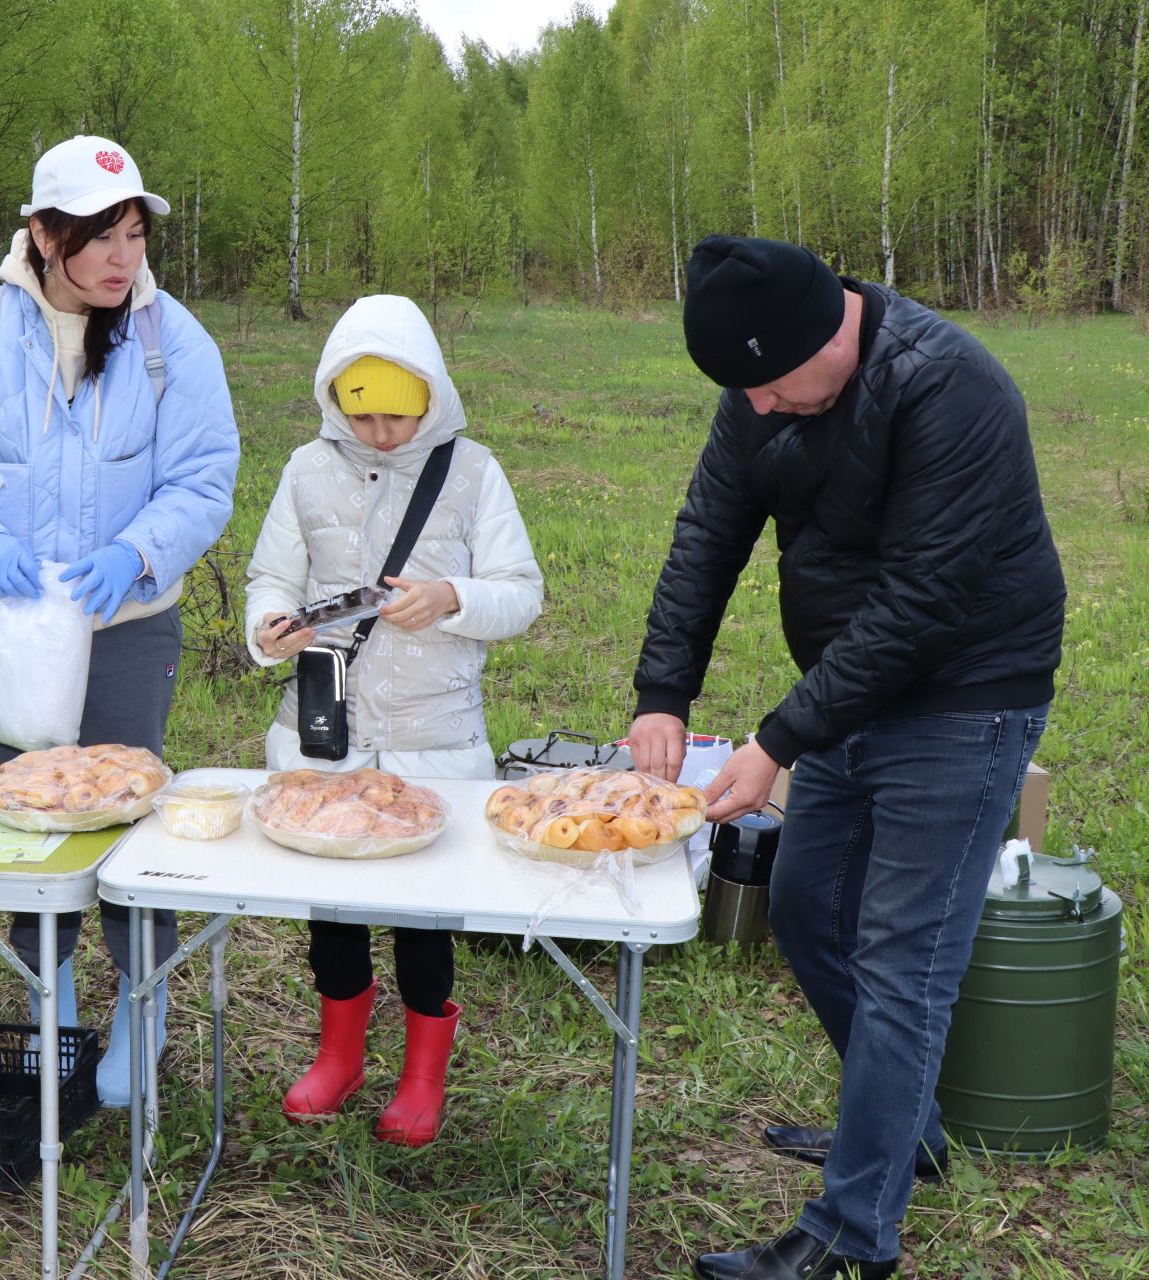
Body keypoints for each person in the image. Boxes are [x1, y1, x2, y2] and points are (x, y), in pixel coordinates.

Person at [627, 235, 1063, 1279]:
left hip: (967, 694)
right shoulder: (762, 388)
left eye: (773, 384)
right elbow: (708, 533)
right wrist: (662, 691)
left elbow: (919, 610)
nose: (760, 407)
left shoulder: (950, 388)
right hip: (846, 691)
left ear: (830, 331)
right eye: (746, 391)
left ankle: (851, 1233)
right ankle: (898, 1125)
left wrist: (777, 740)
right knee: (806, 908)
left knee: (903, 963)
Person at [0, 135, 239, 1107]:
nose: (123, 257)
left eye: (133, 233)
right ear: (42, 234)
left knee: (124, 812)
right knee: (31, 813)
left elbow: (203, 478)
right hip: (7, 630)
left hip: (126, 624)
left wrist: (139, 552)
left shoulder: (172, 341)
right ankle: (53, 995)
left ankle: (143, 1001)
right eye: (98, 236)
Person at [245, 294, 543, 1147]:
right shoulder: (304, 469)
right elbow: (272, 576)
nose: (379, 432)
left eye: (396, 415)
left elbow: (521, 593)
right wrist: (269, 627)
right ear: (334, 398)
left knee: (424, 918)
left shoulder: (474, 471)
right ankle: (338, 1054)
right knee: (331, 910)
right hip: (324, 733)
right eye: (361, 413)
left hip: (434, 739)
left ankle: (421, 1075)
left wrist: (454, 599)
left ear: (431, 398)